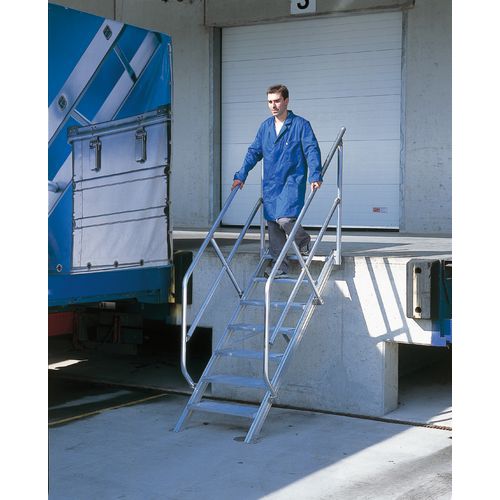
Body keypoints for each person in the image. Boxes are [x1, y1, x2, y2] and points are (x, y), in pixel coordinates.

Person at [231, 84, 322, 277]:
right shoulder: (265, 127)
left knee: (285, 218)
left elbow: (311, 150)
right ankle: (280, 266)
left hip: (291, 181)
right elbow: (254, 152)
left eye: (277, 101)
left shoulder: (300, 125)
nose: (273, 105)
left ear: (286, 101)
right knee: (273, 224)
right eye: (270, 102)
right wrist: (241, 175)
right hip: (271, 184)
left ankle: (303, 240)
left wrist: (315, 175)